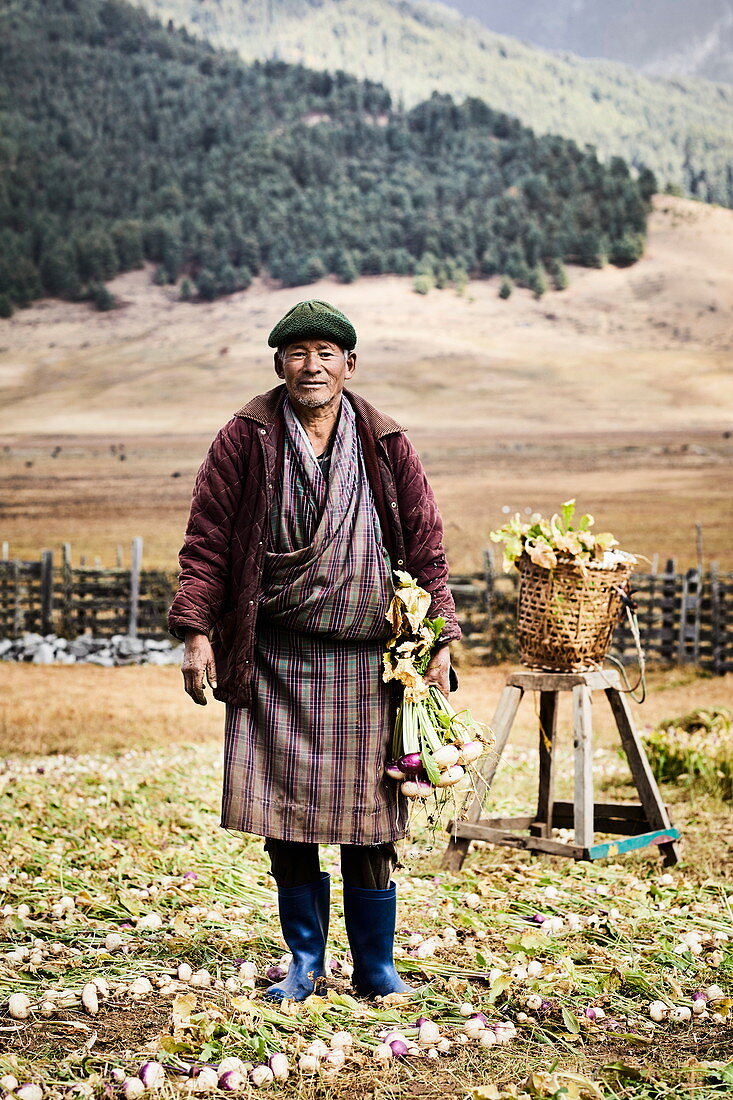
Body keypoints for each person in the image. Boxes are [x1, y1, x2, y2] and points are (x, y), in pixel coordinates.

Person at [168, 299, 460, 1002]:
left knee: (367, 819)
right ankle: (305, 963)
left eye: (326, 353)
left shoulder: (385, 442)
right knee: (285, 815)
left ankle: (375, 967)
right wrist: (196, 633)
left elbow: (424, 546)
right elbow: (207, 542)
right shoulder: (245, 437)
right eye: (298, 353)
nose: (312, 366)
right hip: (273, 655)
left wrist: (441, 636)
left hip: (369, 660)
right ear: (279, 364)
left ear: (349, 366)